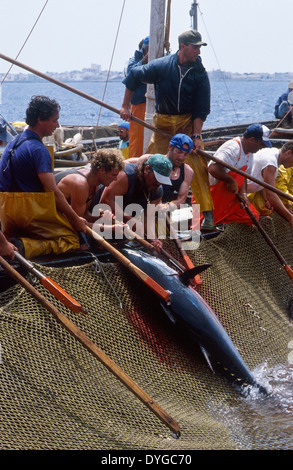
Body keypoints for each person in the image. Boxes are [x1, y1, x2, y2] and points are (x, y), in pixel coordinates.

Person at [120, 29, 214, 228]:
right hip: (163, 122)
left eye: (199, 47)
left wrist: (196, 136)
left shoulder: (200, 73)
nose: (199, 51)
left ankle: (207, 214)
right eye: (195, 47)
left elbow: (201, 108)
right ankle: (136, 203)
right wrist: (125, 106)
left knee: (197, 162)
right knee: (148, 162)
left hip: (188, 124)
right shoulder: (163, 66)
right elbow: (134, 76)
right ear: (183, 47)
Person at [0, 95, 87, 259]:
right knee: (71, 239)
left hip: (6, 210)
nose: (58, 125)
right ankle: (24, 246)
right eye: (55, 120)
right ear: (40, 119)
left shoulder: (14, 143)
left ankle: (16, 238)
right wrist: (75, 219)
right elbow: (53, 192)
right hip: (29, 211)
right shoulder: (39, 150)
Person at [99, 154, 172, 246]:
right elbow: (105, 201)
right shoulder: (126, 175)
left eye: (162, 180)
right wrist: (130, 220)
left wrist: (154, 240)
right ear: (146, 169)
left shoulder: (157, 190)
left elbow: (148, 218)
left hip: (122, 225)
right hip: (99, 215)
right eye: (156, 178)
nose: (158, 183)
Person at [207, 124, 272, 226]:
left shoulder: (250, 154)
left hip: (230, 198)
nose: (262, 147)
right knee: (205, 225)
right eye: (261, 144)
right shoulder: (233, 148)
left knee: (253, 216)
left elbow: (244, 177)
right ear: (252, 140)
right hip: (212, 197)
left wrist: (244, 194)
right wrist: (230, 180)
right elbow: (212, 168)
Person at [55, 148, 125, 227]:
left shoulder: (95, 183)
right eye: (113, 175)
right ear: (101, 170)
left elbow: (83, 215)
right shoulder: (81, 185)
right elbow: (77, 224)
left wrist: (102, 219)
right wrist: (110, 228)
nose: (115, 179)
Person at [127, 133, 194, 210]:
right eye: (179, 152)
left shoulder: (188, 172)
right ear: (170, 147)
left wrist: (164, 207)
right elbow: (127, 164)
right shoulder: (150, 159)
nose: (181, 157)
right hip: (143, 205)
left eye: (185, 154)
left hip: (166, 210)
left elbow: (181, 200)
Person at [247, 141, 293, 227]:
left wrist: (267, 200)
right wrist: (289, 217)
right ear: (288, 153)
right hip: (239, 193)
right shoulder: (270, 163)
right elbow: (271, 194)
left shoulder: (274, 153)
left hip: (248, 190)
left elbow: (264, 183)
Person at [126, 36, 149, 158]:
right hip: (140, 105)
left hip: (159, 106)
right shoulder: (134, 60)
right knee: (137, 143)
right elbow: (131, 74)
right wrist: (145, 60)